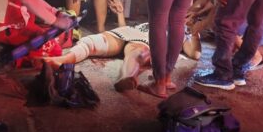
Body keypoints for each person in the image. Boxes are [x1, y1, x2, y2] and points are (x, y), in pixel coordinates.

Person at [45, 22, 202, 91]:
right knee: (90, 41)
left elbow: (195, 54)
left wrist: (195, 32)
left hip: (150, 40)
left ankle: (128, 77)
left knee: (135, 53)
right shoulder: (160, 12)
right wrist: (120, 12)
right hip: (130, 31)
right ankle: (62, 61)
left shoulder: (185, 32)